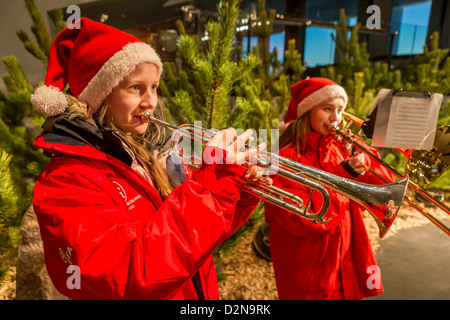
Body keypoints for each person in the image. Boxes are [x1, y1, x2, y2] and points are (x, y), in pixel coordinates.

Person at [31, 18, 270, 300]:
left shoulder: (150, 154)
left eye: (154, 87)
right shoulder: (66, 181)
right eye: (136, 88)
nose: (151, 102)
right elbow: (131, 274)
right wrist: (214, 187)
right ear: (99, 96)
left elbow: (195, 240)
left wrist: (235, 193)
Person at [264, 77, 395, 300]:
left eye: (340, 110)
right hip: (310, 265)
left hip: (345, 254)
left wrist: (363, 156)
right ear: (307, 111)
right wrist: (345, 173)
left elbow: (386, 187)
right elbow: (311, 218)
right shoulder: (283, 159)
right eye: (327, 109)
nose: (336, 118)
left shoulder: (338, 149)